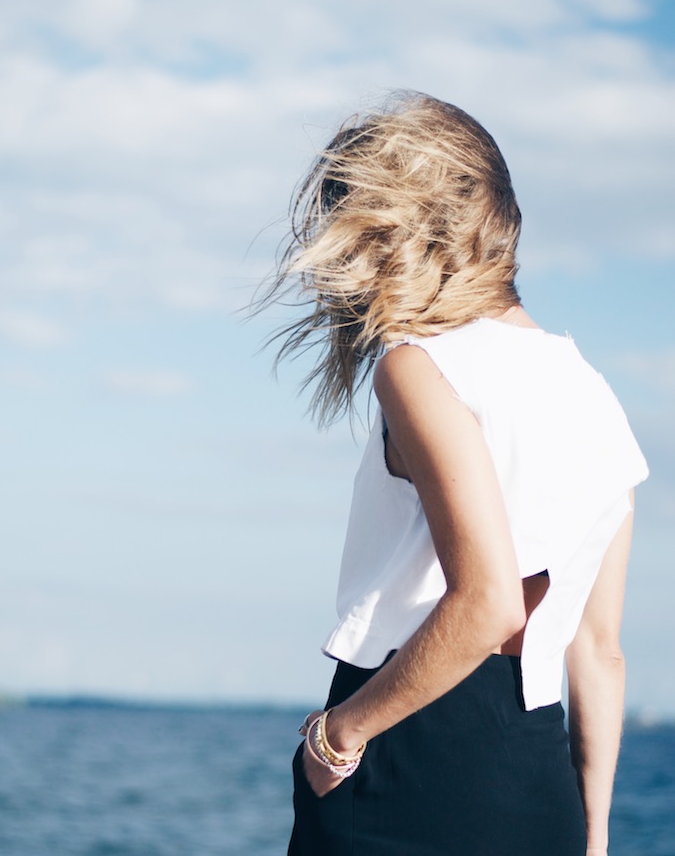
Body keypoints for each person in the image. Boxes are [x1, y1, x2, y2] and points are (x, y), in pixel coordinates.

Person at [259, 92, 649, 856]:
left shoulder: (419, 366)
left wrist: (340, 735)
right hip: (539, 782)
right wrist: (593, 832)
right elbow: (599, 650)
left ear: (403, 226)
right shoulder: (595, 393)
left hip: (406, 753)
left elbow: (489, 602)